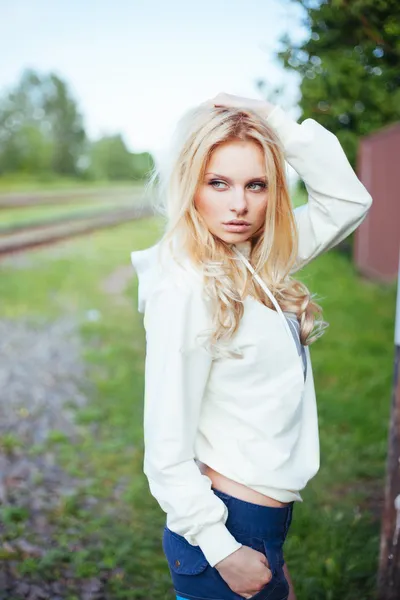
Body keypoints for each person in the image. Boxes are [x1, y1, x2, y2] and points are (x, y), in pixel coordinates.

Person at [130, 92, 373, 600]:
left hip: (260, 523)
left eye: (256, 185)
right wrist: (224, 549)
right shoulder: (186, 287)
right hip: (223, 527)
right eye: (217, 183)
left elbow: (349, 201)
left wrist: (273, 120)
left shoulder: (255, 260)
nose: (239, 204)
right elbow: (165, 450)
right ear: (189, 186)